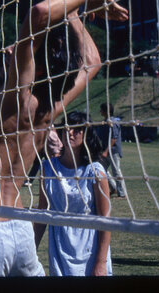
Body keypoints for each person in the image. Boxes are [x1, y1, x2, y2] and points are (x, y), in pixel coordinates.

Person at [0, 0, 128, 277]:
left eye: (19, 47)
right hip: (20, 233)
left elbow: (39, 13)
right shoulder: (49, 110)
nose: (10, 49)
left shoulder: (16, 98)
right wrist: (73, 13)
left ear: (37, 62)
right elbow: (93, 62)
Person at [33, 111, 112, 276]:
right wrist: (31, 250)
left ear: (86, 135)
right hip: (60, 247)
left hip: (89, 248)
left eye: (76, 129)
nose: (69, 132)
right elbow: (42, 212)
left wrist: (101, 262)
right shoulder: (48, 168)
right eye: (66, 128)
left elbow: (105, 220)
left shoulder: (95, 171)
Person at [94, 103, 126, 198]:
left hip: (113, 151)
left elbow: (114, 138)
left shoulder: (113, 122)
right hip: (105, 151)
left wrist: (106, 151)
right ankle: (113, 188)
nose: (100, 111)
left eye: (101, 109)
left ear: (105, 111)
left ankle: (123, 194)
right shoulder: (104, 122)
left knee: (116, 171)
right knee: (101, 169)